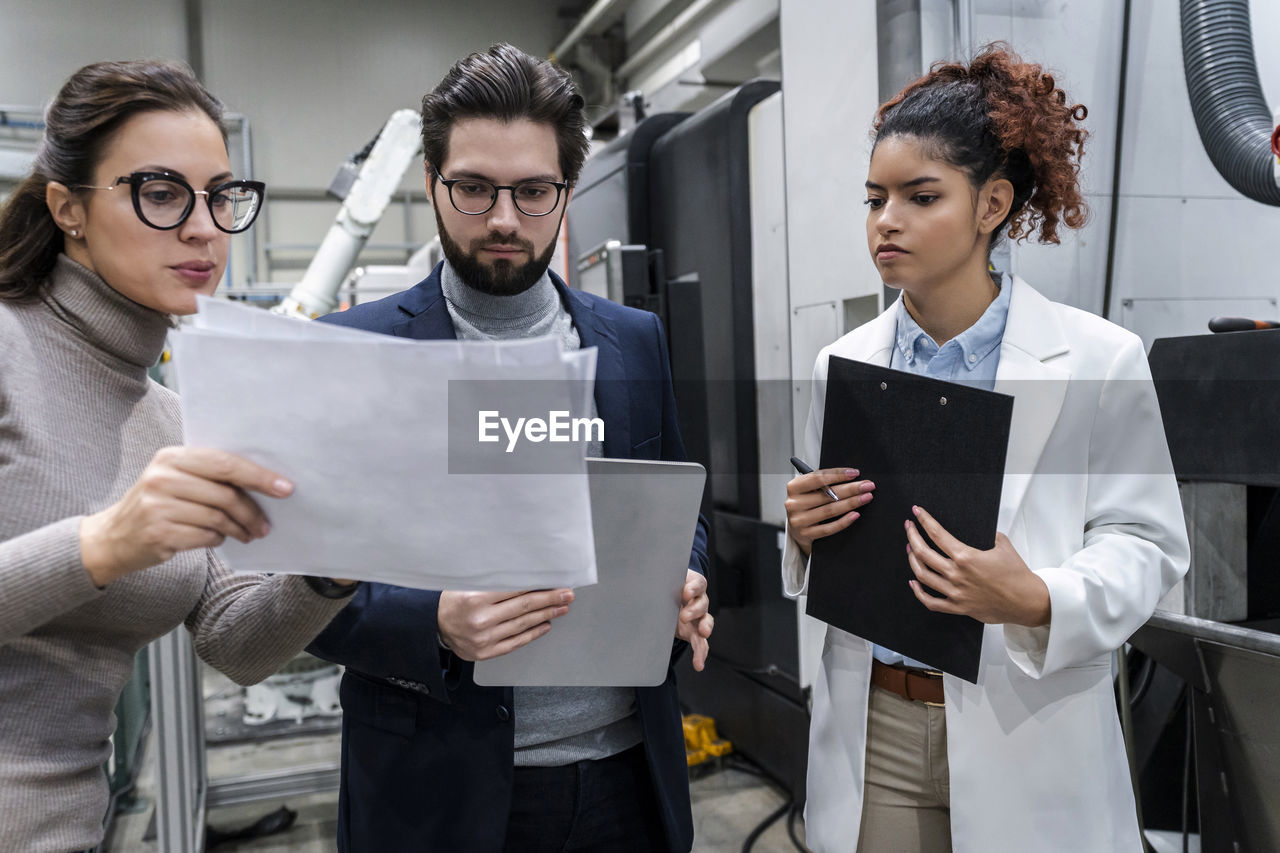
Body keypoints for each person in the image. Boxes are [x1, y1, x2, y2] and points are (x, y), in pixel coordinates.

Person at [305, 43, 713, 853]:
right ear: (431, 183)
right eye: (473, 187)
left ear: (564, 191)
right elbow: (303, 594)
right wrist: (436, 624)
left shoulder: (632, 341)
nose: (501, 218)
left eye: (532, 191)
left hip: (626, 779)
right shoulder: (354, 351)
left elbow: (681, 509)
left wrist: (687, 574)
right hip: (440, 789)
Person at [782, 45, 1190, 853]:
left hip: (1027, 730)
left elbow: (1150, 546)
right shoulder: (844, 364)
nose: (886, 221)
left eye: (919, 196)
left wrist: (1038, 597)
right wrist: (802, 531)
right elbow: (828, 542)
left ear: (992, 203)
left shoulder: (1098, 359)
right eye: (874, 200)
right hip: (876, 730)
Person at [0, 60, 358, 853]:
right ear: (69, 208)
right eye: (161, 193)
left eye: (221, 195)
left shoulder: (177, 415)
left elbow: (237, 640)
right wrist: (103, 543)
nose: (204, 226)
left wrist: (333, 563)